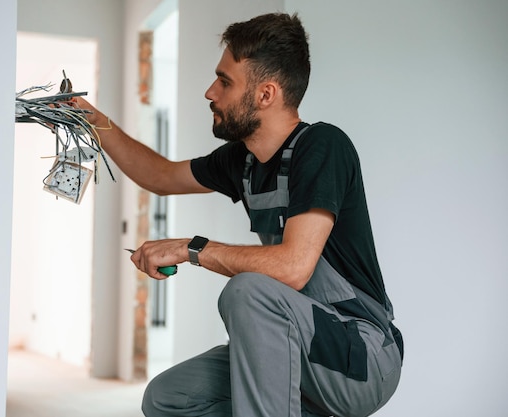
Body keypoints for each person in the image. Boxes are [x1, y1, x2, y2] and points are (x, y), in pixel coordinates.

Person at [71, 12, 403, 417]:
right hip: (298, 340)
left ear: (265, 94)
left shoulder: (323, 147)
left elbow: (294, 267)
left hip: (359, 356)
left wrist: (192, 249)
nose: (210, 92)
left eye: (225, 81)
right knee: (168, 398)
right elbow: (159, 175)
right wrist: (93, 121)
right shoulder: (242, 161)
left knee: (249, 292)